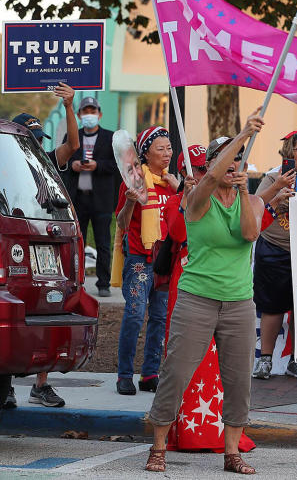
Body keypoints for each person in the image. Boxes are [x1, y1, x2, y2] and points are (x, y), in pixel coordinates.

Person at [145, 110, 265, 474]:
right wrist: (242, 133)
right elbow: (212, 176)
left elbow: (249, 234)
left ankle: (231, 453)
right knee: (176, 373)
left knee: (239, 379)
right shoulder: (196, 198)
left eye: (238, 159)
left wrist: (246, 190)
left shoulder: (253, 200)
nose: (234, 165)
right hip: (197, 298)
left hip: (239, 302)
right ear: (213, 164)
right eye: (226, 158)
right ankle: (159, 447)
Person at [3, 84, 79, 410]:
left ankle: (41, 385)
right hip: (22, 240)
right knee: (15, 305)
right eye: (29, 138)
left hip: (47, 242)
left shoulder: (45, 163)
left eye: (37, 139)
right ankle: (6, 387)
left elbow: (73, 145)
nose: (34, 145)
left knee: (49, 308)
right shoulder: (8, 169)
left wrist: (70, 106)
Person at [252, 130, 297, 380]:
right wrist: (279, 189)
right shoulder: (274, 176)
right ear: (288, 152)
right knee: (272, 308)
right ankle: (265, 360)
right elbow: (256, 205)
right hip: (274, 248)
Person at [115, 126, 178, 395]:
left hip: (165, 261)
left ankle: (150, 373)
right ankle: (124, 374)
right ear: (145, 153)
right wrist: (130, 202)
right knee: (134, 314)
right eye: (160, 149)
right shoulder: (133, 181)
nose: (167, 154)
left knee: (160, 318)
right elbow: (121, 223)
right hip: (140, 258)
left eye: (169, 148)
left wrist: (181, 190)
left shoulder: (173, 182)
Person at [61, 96, 119, 297]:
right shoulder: (72, 137)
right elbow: (62, 162)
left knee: (103, 242)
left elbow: (117, 166)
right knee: (77, 242)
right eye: (85, 112)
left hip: (101, 199)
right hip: (78, 198)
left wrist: (98, 165)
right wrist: (73, 165)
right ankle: (77, 282)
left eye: (92, 111)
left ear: (99, 114)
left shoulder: (110, 138)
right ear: (78, 115)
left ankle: (104, 283)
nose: (89, 115)